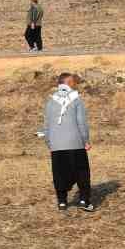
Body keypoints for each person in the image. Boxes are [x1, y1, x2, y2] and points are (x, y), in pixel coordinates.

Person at [43, 73, 94, 211]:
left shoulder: (50, 101)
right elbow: (81, 123)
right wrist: (86, 140)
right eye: (72, 82)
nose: (74, 84)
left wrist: (49, 143)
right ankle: (84, 200)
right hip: (75, 142)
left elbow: (46, 125)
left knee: (59, 173)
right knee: (82, 172)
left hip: (57, 145)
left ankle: (62, 202)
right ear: (68, 83)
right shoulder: (76, 100)